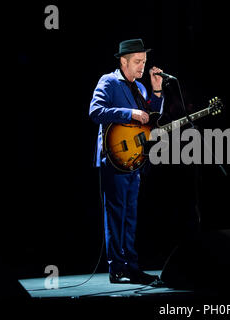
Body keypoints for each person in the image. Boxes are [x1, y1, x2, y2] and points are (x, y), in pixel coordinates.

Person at [89, 39, 164, 284]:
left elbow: (151, 121)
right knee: (116, 213)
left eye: (144, 61)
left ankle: (131, 266)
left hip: (134, 159)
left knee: (130, 214)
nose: (142, 66)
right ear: (123, 61)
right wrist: (128, 113)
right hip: (113, 157)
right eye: (137, 62)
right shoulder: (109, 81)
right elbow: (95, 111)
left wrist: (156, 92)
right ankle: (117, 268)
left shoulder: (140, 88)